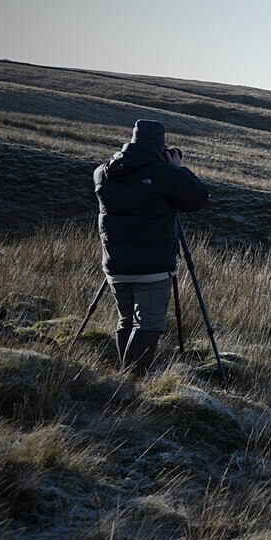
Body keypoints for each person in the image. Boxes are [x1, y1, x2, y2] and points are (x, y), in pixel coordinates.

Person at [93, 120, 209, 375]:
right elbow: (198, 197)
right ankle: (131, 383)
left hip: (115, 264)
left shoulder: (103, 172)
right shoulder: (164, 174)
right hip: (152, 266)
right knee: (149, 324)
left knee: (126, 320)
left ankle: (123, 378)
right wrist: (178, 168)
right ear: (159, 145)